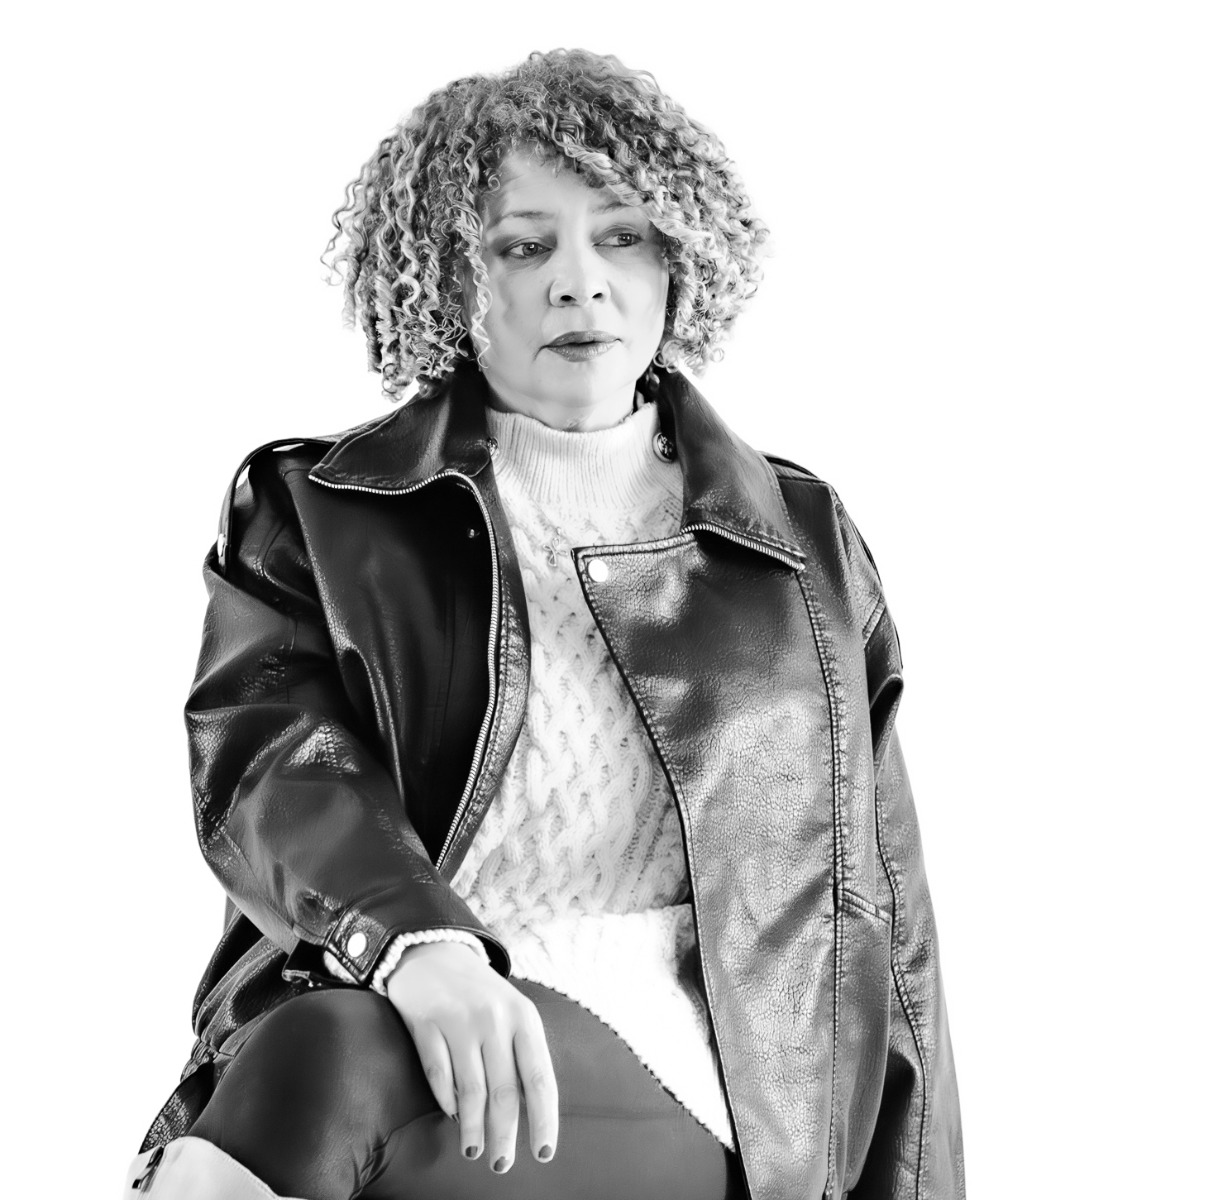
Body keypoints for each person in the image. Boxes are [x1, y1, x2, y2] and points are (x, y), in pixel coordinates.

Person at [123, 48, 964, 1200]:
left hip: (696, 1069)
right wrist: (418, 944)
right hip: (396, 1005)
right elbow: (273, 769)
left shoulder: (796, 542)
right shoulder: (318, 513)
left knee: (329, 1063)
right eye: (523, 247)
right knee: (322, 1052)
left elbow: (890, 926)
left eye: (623, 235)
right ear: (445, 275)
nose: (581, 282)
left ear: (679, 255)